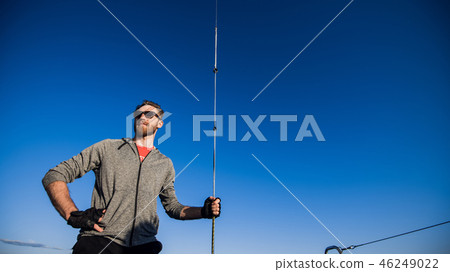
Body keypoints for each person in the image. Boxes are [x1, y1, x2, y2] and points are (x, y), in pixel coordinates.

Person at [42, 100, 221, 254]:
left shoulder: (165, 164)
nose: (142, 117)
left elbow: (173, 207)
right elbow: (54, 175)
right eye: (138, 114)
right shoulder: (107, 148)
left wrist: (204, 212)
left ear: (160, 123)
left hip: (144, 248)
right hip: (98, 243)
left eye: (149, 114)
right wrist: (71, 214)